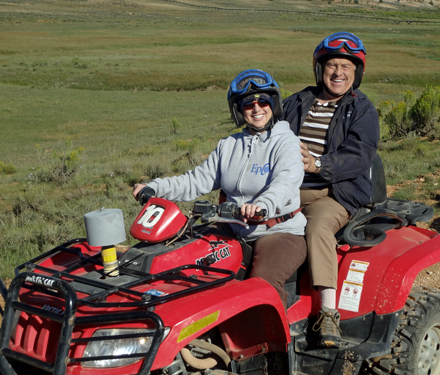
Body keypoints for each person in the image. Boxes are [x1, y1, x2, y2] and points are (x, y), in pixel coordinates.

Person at [132, 69, 307, 309]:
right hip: (233, 229)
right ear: (238, 110)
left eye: (263, 101)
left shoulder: (286, 141)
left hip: (278, 231)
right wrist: (156, 187)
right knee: (185, 265)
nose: (257, 109)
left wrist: (263, 206)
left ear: (273, 103)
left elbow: (286, 181)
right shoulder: (229, 146)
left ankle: (270, 343)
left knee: (262, 284)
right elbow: (196, 180)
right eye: (248, 104)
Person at [281, 32, 379, 347]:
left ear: (357, 72)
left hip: (334, 193)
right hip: (286, 190)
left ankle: (327, 311)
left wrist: (318, 164)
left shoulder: (362, 109)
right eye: (332, 65)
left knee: (318, 226)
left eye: (346, 66)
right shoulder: (297, 101)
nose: (338, 72)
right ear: (320, 68)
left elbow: (359, 154)